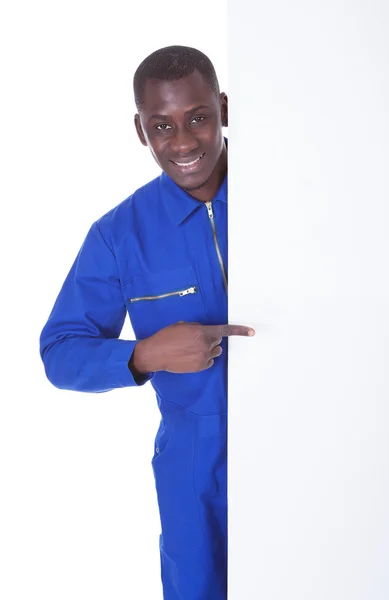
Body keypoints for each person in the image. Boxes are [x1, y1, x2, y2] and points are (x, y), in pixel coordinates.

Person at [39, 45, 255, 600]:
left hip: (303, 439)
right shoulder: (119, 235)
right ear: (141, 131)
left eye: (198, 118)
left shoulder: (291, 198)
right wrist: (145, 355)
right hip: (192, 467)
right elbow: (60, 350)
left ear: (224, 108)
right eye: (162, 126)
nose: (182, 143)